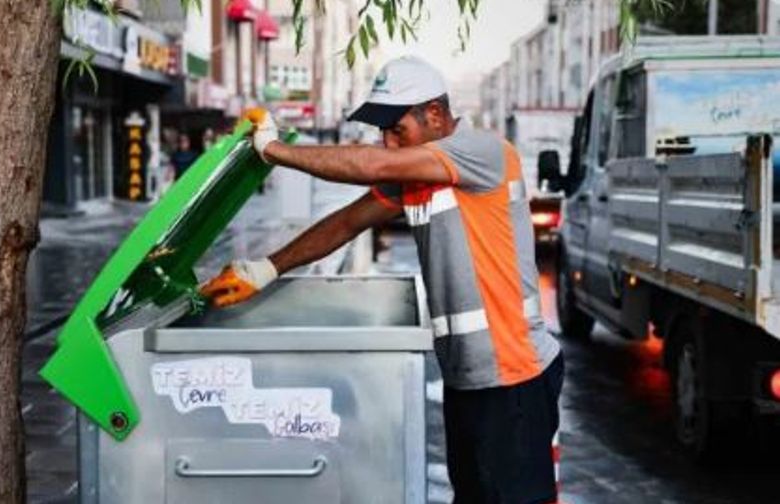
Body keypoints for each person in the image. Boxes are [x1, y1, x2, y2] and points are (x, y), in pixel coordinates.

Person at [200, 56, 564, 504]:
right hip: (470, 377)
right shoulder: (417, 176)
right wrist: (266, 269)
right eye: (383, 134)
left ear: (434, 114)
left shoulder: (484, 151)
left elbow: (373, 165)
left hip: (514, 376)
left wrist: (273, 150)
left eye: (397, 130)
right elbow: (348, 222)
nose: (389, 145)